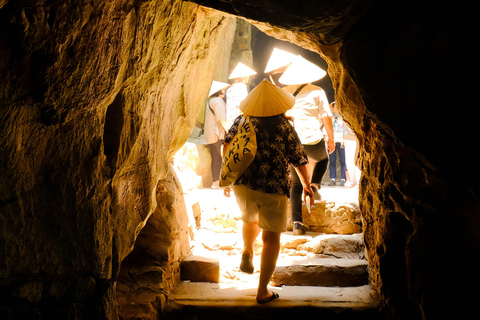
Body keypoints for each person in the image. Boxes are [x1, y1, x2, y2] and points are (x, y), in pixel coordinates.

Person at [223, 80, 314, 304]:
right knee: (271, 238)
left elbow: (227, 145)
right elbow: (299, 158)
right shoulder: (284, 126)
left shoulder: (242, 120)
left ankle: (246, 250)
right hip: (274, 187)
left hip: (244, 184)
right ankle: (262, 291)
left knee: (250, 220)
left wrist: (228, 176)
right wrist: (307, 185)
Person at [278, 55, 335, 235]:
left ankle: (297, 223)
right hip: (312, 140)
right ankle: (316, 185)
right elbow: (326, 116)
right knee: (324, 158)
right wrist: (331, 139)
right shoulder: (317, 91)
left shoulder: (284, 91)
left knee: (295, 184)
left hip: (291, 141)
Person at [204, 80, 229, 188]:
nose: (224, 91)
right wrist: (228, 130)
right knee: (223, 158)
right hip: (217, 134)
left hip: (210, 136)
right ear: (219, 91)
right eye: (223, 89)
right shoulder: (218, 102)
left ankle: (215, 182)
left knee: (216, 158)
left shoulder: (211, 101)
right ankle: (222, 182)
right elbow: (221, 119)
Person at [225, 62, 256, 130]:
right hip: (238, 122)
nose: (248, 77)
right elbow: (243, 105)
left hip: (230, 122)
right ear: (244, 76)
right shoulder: (241, 87)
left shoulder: (231, 88)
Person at [327, 101, 347, 186]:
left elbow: (345, 129)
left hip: (342, 140)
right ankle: (332, 179)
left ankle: (343, 178)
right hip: (333, 140)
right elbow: (327, 128)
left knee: (343, 160)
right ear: (332, 108)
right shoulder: (330, 118)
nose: (337, 108)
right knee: (332, 160)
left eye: (338, 106)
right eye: (335, 107)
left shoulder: (344, 117)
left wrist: (344, 139)